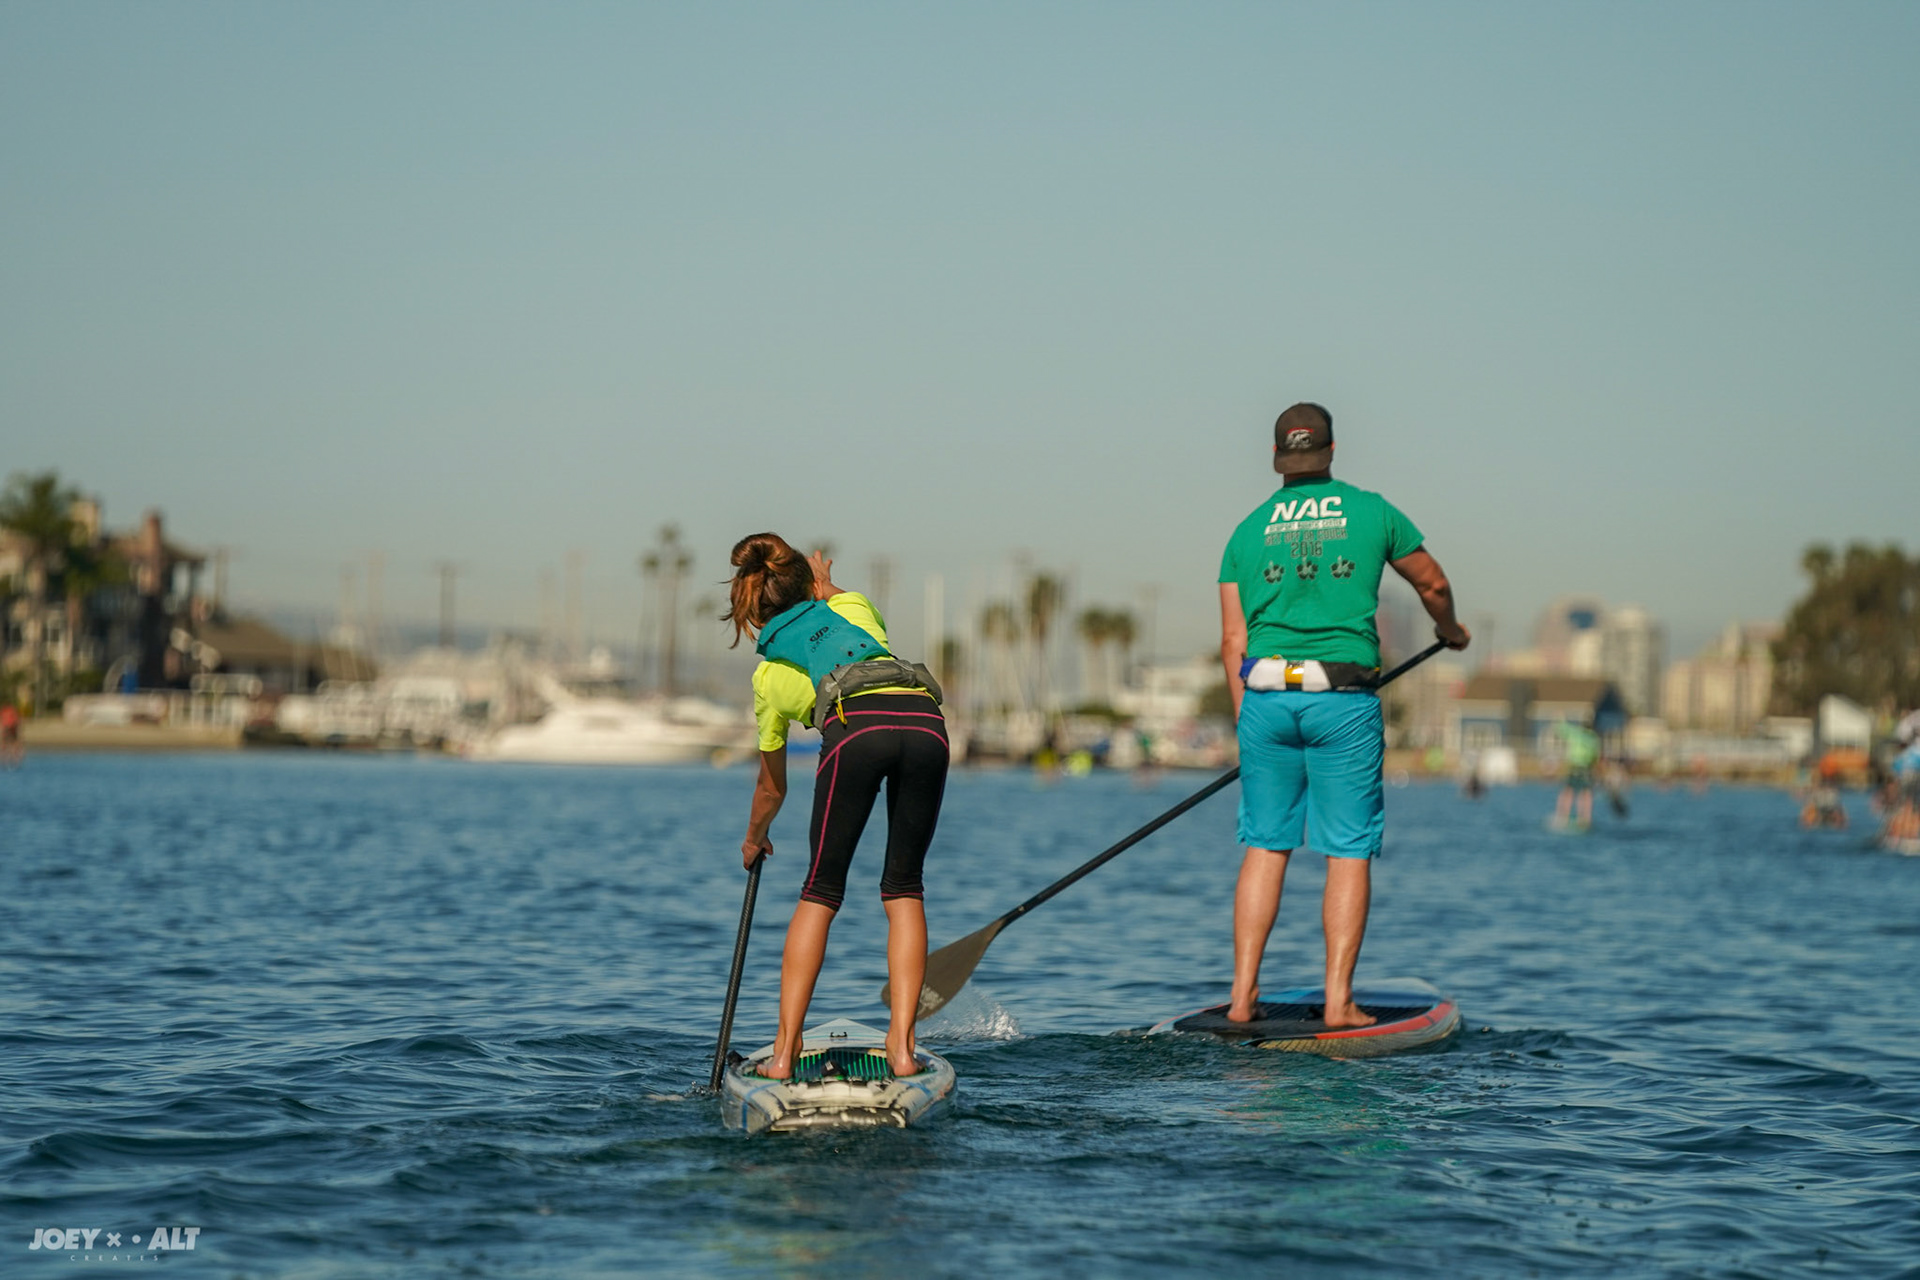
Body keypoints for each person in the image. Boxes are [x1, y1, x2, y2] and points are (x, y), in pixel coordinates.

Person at [1217, 402, 1469, 1027]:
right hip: (1342, 703)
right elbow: (1432, 583)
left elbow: (1232, 643)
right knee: (1347, 852)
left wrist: (1246, 721)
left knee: (1265, 848)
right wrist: (1450, 628)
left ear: (1279, 460)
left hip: (1266, 701)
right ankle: (1337, 1003)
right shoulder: (1372, 511)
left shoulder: (1246, 531)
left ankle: (1243, 999)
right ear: (1331, 452)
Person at [725, 533, 949, 1079]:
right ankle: (901, 1050)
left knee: (822, 890)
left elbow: (771, 790)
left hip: (858, 730)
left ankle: (782, 1057)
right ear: (814, 587)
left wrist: (756, 838)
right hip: (927, 722)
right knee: (904, 888)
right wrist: (826, 583)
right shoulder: (849, 610)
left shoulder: (768, 675)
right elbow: (845, 596)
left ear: (754, 610)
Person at [1552, 719, 1601, 830]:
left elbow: (1561, 728)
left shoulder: (1575, 733)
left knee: (1568, 791)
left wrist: (1558, 717)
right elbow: (1595, 758)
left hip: (1574, 767)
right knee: (1586, 794)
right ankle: (1585, 819)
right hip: (1586, 768)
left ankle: (1562, 817)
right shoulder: (1594, 739)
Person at [0, 700, 21, 768]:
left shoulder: (7, 711)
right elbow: (17, 721)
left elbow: (16, 720)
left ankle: (7, 760)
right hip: (10, 728)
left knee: (10, 744)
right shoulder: (10, 710)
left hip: (10, 728)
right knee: (10, 744)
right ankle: (11, 760)